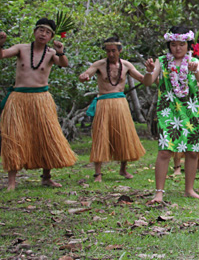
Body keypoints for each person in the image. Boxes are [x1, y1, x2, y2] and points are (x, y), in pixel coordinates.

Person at [0, 18, 77, 190]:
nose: (43, 34)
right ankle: (11, 182)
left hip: (41, 99)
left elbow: (63, 64)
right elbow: (2, 55)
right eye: (41, 30)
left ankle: (46, 177)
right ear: (34, 31)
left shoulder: (51, 53)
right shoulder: (21, 48)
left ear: (51, 37)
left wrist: (60, 51)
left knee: (46, 137)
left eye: (48, 32)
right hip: (18, 99)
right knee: (14, 137)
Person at [142, 26, 199, 203]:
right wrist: (149, 71)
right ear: (169, 45)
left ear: (188, 45)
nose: (177, 48)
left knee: (192, 151)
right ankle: (158, 192)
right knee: (165, 151)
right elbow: (148, 82)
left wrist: (195, 71)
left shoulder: (194, 62)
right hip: (168, 108)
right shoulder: (162, 61)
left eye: (181, 44)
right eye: (173, 44)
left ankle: (189, 189)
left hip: (190, 108)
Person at [78, 36, 146, 182]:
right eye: (108, 51)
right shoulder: (99, 65)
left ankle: (123, 169)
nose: (110, 54)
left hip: (120, 104)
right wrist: (84, 76)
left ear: (120, 50)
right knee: (101, 136)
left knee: (124, 135)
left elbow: (143, 79)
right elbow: (87, 73)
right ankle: (98, 173)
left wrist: (152, 73)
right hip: (103, 103)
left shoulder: (126, 65)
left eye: (113, 51)